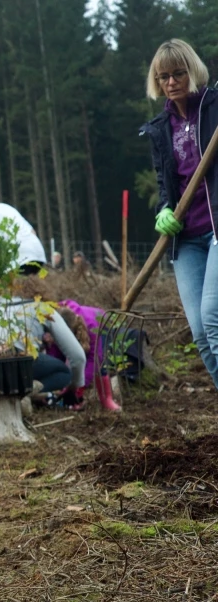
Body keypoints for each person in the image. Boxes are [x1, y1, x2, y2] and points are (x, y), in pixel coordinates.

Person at [141, 40, 218, 389]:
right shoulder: (160, 128)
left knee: (213, 319)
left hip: (217, 229)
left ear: (192, 71)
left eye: (178, 73)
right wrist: (164, 210)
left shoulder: (214, 107)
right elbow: (164, 184)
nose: (171, 82)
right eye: (164, 77)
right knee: (201, 335)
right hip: (186, 240)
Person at [0, 278, 88, 410]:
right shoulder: (44, 308)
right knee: (64, 373)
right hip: (12, 359)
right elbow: (78, 356)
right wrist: (74, 387)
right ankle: (24, 393)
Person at [0, 201, 46, 275]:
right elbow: (33, 232)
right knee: (32, 283)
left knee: (18, 284)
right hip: (37, 252)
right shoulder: (7, 209)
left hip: (20, 258)